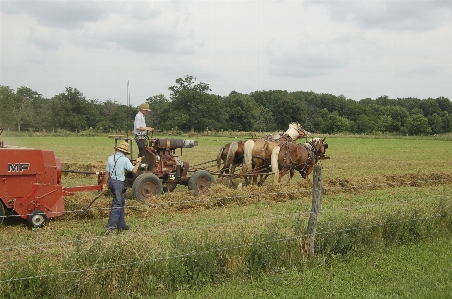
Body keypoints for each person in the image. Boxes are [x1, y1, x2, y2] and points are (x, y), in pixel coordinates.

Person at [103, 141, 142, 234]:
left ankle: (121, 224)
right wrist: (138, 162)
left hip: (111, 182)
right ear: (125, 152)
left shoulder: (110, 158)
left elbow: (107, 174)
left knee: (121, 202)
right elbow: (134, 170)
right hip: (118, 183)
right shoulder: (124, 160)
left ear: (117, 150)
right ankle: (110, 227)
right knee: (117, 204)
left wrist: (104, 184)